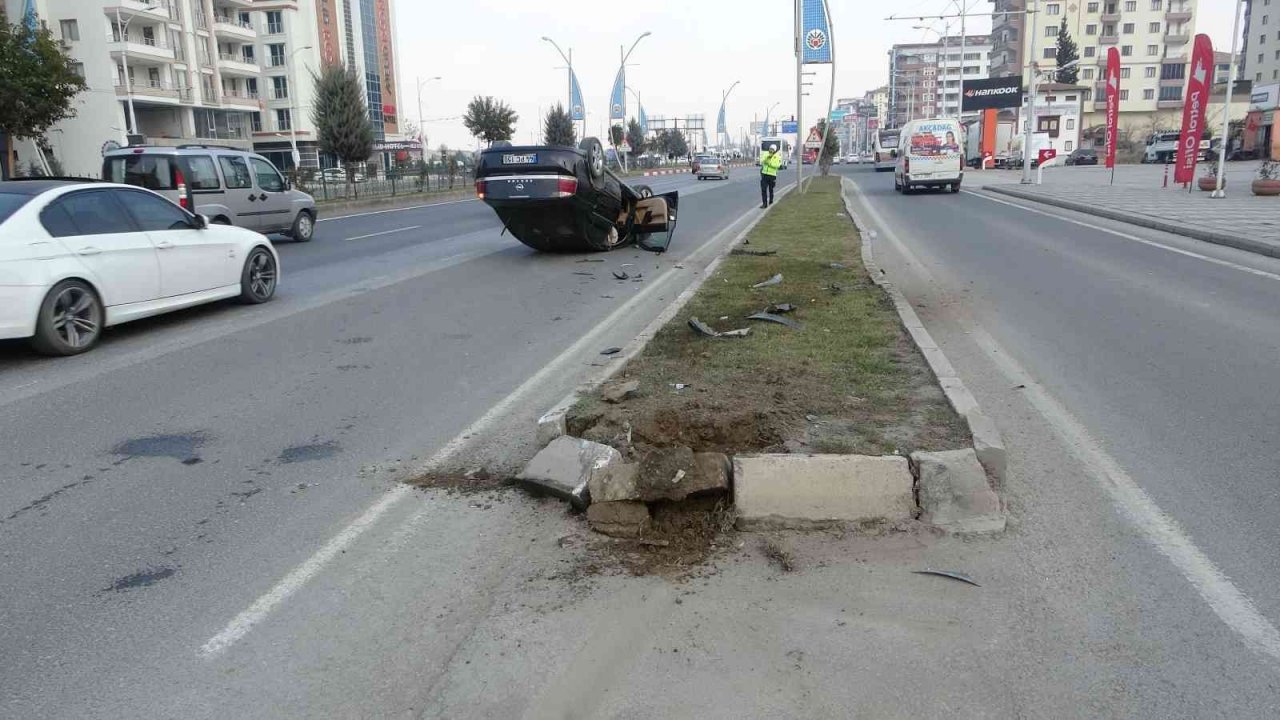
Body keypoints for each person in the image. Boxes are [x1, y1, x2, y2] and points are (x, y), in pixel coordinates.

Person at [759, 144, 783, 208]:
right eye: (770, 149)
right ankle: (764, 204)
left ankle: (771, 200)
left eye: (772, 149)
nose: (771, 150)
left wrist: (769, 163)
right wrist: (767, 157)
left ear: (774, 150)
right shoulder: (766, 154)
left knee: (771, 189)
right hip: (764, 174)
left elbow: (777, 165)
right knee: (763, 189)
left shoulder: (777, 156)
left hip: (772, 175)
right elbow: (762, 160)